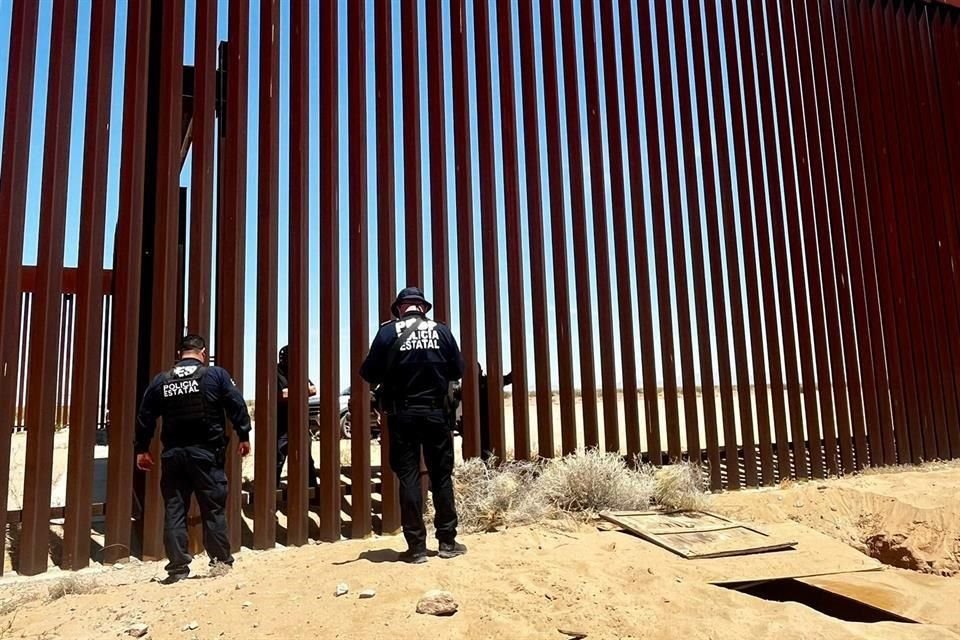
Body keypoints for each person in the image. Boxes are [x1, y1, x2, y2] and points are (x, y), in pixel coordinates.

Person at [360, 287, 466, 564]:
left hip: (402, 415)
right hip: (436, 415)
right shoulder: (441, 331)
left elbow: (368, 373)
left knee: (408, 478)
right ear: (423, 308)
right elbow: (457, 370)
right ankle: (447, 542)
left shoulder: (387, 333)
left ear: (400, 308)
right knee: (441, 476)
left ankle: (417, 548)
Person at [135, 334, 251, 584]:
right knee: (213, 509)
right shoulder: (215, 375)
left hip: (173, 455)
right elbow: (236, 405)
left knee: (175, 509)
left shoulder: (161, 380)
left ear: (180, 354)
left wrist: (142, 449)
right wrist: (244, 435)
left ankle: (177, 568)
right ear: (203, 352)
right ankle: (220, 562)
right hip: (206, 454)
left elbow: (145, 417)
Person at [276, 345, 319, 489]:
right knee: (278, 457)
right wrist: (302, 390)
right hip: (282, 423)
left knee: (306, 458)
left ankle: (311, 490)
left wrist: (294, 391)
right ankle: (273, 489)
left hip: (300, 423)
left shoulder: (299, 372)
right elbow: (282, 395)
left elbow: (313, 389)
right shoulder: (276, 372)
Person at [477, 364, 513, 461]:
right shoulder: (464, 387)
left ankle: (488, 466)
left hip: (487, 420)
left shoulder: (489, 381)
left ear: (481, 371)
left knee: (486, 445)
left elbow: (508, 379)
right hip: (473, 422)